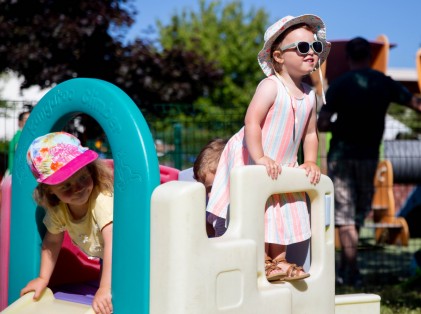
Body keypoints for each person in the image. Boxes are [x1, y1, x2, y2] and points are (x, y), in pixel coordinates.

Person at [206, 14, 330, 282]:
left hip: (284, 163)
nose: (311, 53)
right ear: (279, 56)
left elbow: (310, 134)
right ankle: (261, 259)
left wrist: (310, 161)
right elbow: (252, 120)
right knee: (259, 208)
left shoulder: (309, 95)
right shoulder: (271, 86)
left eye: (315, 47)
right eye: (302, 47)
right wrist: (259, 156)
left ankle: (280, 261)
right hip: (252, 155)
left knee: (282, 209)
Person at [317, 36, 421, 285]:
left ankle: (350, 272)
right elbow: (415, 103)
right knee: (356, 216)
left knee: (344, 217)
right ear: (369, 57)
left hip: (341, 157)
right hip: (369, 157)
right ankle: (349, 272)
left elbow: (321, 123)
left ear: (348, 57)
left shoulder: (340, 85)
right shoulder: (383, 83)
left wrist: (340, 125)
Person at [20, 132, 114, 314]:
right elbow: (52, 242)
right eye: (66, 186)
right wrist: (42, 278)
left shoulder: (102, 199)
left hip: (131, 252)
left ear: (90, 170)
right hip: (107, 256)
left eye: (83, 177)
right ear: (50, 190)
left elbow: (114, 242)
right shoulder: (59, 210)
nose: (78, 188)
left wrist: (104, 289)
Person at [193, 138, 228, 238]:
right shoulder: (214, 211)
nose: (209, 196)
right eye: (206, 190)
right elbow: (209, 224)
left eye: (213, 188)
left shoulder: (236, 211)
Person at [8, 109, 31, 173]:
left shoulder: (20, 136)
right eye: (26, 121)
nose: (29, 123)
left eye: (30, 120)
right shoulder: (19, 138)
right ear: (20, 122)